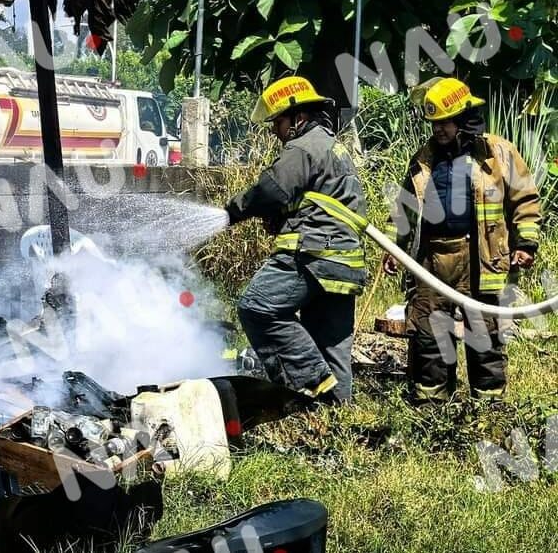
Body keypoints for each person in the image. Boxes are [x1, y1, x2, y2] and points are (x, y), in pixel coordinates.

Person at [382, 77, 541, 403]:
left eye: (445, 122)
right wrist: (393, 249)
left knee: (484, 335)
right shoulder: (424, 157)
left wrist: (525, 244)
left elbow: (525, 199)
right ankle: (431, 408)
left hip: (480, 258)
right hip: (431, 261)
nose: (438, 129)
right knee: (429, 334)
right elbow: (404, 208)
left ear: (464, 119)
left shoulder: (498, 153)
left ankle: (489, 409)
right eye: (434, 123)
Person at [225, 77, 368, 403]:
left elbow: (271, 189)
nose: (275, 129)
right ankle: (337, 418)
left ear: (297, 118)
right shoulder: (333, 146)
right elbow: (318, 199)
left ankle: (308, 390)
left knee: (257, 308)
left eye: (277, 121)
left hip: (313, 252)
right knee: (330, 342)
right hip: (344, 261)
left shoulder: (302, 147)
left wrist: (232, 212)